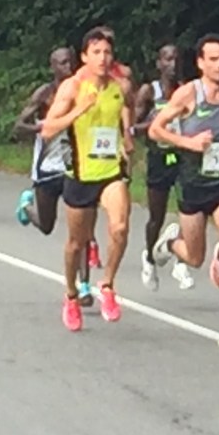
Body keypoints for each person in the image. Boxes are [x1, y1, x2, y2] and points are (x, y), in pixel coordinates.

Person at [149, 33, 219, 350]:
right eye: (213, 59)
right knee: (194, 256)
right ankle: (170, 244)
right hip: (192, 183)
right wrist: (188, 143)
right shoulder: (189, 93)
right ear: (201, 62)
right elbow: (155, 129)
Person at [42, 28, 132, 331]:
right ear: (84, 56)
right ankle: (70, 294)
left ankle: (107, 285)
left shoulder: (119, 86)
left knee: (119, 226)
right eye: (96, 53)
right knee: (75, 244)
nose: (103, 58)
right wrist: (79, 110)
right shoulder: (72, 87)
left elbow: (126, 106)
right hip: (80, 174)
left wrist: (126, 137)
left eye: (107, 52)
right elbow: (48, 129)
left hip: (111, 171)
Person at [13, 47, 96, 305]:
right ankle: (27, 208)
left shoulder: (85, 90)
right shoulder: (45, 93)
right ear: (53, 67)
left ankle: (83, 286)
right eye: (61, 63)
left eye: (70, 61)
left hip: (75, 166)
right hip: (47, 167)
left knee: (82, 231)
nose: (68, 66)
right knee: (47, 225)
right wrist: (44, 127)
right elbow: (18, 127)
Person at [133, 44, 194, 292]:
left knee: (189, 211)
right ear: (159, 63)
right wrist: (153, 124)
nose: (172, 64)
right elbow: (133, 127)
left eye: (176, 59)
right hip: (159, 157)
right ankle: (149, 257)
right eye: (167, 59)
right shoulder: (150, 91)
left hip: (182, 157)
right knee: (156, 217)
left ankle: (180, 261)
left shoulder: (188, 90)